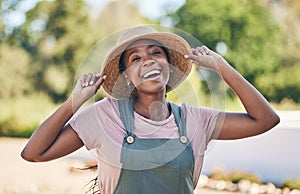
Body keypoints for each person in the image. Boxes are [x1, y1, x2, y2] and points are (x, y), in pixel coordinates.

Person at [21, 25, 280, 194]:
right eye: (136, 58)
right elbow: (34, 153)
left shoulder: (195, 119)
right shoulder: (104, 115)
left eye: (156, 53)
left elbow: (265, 120)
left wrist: (222, 67)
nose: (148, 61)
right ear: (127, 77)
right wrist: (73, 103)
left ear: (168, 65)